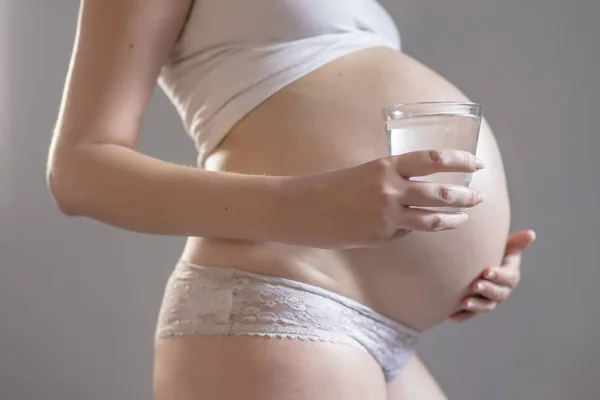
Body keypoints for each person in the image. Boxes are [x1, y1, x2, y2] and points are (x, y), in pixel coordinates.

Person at [46, 0, 536, 399]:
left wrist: (470, 258)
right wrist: (313, 203)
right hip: (281, 300)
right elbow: (78, 170)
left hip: (386, 337)